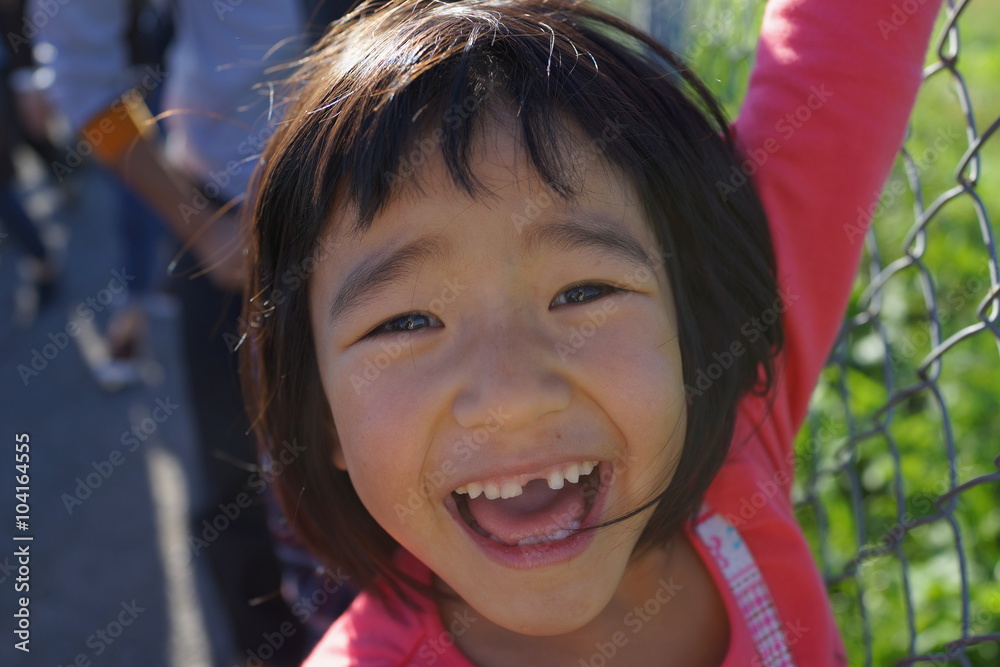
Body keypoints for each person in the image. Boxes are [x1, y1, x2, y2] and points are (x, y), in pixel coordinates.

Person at [241, 0, 942, 663]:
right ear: (323, 414)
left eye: (583, 292)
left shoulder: (732, 391)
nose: (511, 395)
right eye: (406, 322)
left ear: (697, 323)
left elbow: (846, 54)